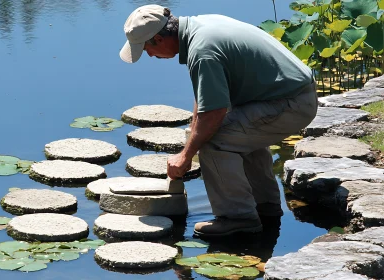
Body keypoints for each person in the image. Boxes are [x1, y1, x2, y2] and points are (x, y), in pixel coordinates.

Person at [119, 4, 318, 237]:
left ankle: (238, 218)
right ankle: (265, 207)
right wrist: (193, 131)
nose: (150, 56)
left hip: (290, 104)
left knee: (215, 142)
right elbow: (206, 98)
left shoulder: (202, 50)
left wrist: (186, 155)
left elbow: (214, 114)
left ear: (160, 39)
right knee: (237, 137)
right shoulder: (200, 26)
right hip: (286, 95)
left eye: (146, 50)